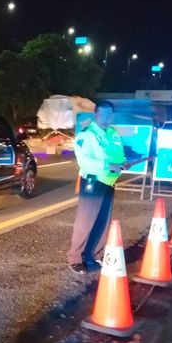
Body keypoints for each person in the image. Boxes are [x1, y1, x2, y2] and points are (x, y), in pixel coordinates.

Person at [67, 100, 127, 274]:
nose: (106, 118)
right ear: (96, 114)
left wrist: (121, 163)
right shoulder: (87, 135)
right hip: (93, 181)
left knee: (102, 221)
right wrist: (108, 165)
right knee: (85, 222)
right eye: (103, 114)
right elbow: (84, 160)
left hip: (109, 182)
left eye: (109, 114)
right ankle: (75, 258)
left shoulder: (113, 133)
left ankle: (92, 255)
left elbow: (119, 153)